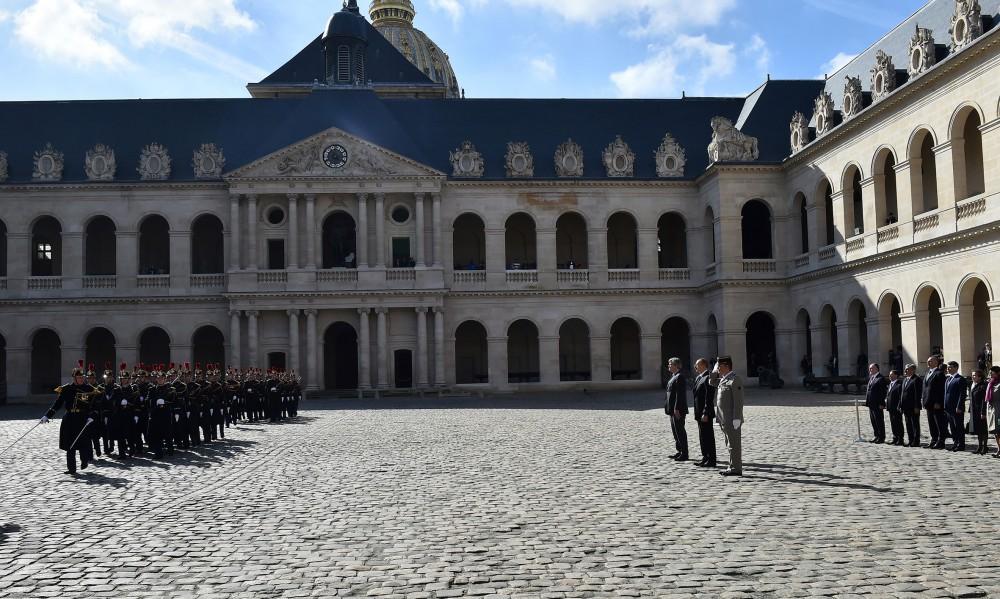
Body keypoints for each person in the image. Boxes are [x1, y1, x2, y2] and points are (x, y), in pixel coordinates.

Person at [39, 361, 97, 474]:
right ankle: (71, 468)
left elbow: (94, 405)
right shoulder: (66, 389)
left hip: (83, 417)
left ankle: (84, 460)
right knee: (70, 443)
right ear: (74, 378)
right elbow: (58, 404)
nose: (81, 379)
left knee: (84, 442)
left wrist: (91, 416)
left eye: (82, 377)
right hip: (70, 418)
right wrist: (47, 415)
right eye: (78, 377)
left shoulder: (89, 389)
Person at [710, 356, 744, 477]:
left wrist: (737, 418)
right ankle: (732, 466)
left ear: (726, 366)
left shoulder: (734, 379)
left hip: (731, 419)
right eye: (717, 366)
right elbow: (711, 382)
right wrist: (714, 371)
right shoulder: (723, 379)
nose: (718, 368)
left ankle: (736, 468)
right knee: (729, 444)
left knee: (734, 444)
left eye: (719, 366)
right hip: (724, 419)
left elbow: (738, 401)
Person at [692, 358, 716, 467]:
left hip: (705, 413)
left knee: (708, 437)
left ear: (703, 365)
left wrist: (705, 412)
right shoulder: (698, 378)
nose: (695, 367)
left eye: (697, 365)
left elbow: (708, 398)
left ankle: (711, 459)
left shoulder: (708, 377)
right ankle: (705, 457)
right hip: (699, 412)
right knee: (702, 436)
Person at [664, 358, 689, 462]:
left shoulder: (680, 377)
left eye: (670, 364)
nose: (669, 366)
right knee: (675, 432)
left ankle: (684, 453)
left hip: (677, 410)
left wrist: (676, 408)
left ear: (676, 365)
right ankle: (679, 451)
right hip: (672, 410)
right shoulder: (673, 376)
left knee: (680, 431)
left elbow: (680, 395)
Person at [922, 356, 947, 449]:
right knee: (931, 423)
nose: (928, 363)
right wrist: (923, 400)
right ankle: (934, 440)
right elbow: (925, 389)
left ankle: (941, 441)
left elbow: (941, 390)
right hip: (928, 402)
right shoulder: (927, 373)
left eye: (931, 361)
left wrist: (938, 402)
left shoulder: (939, 373)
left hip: (936, 403)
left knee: (939, 423)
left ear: (936, 362)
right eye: (928, 361)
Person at [943, 361, 968, 451]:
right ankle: (955, 442)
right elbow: (946, 393)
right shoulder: (948, 379)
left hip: (956, 408)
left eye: (950, 367)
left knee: (959, 427)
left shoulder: (960, 379)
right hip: (948, 408)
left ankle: (961, 444)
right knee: (952, 427)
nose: (948, 369)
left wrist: (959, 406)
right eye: (948, 367)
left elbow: (962, 395)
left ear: (956, 368)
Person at [864, 363, 888, 443]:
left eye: (872, 368)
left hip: (878, 404)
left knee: (879, 421)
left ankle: (881, 437)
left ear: (877, 369)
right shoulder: (872, 378)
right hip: (871, 403)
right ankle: (876, 435)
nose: (870, 370)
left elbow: (883, 392)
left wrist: (882, 404)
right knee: (873, 421)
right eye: (869, 368)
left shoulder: (880, 378)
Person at [901, 364, 922, 447]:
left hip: (913, 406)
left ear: (913, 370)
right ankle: (910, 440)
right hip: (906, 406)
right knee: (908, 424)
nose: (905, 371)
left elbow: (917, 394)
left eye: (907, 369)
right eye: (905, 369)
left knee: (915, 424)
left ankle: (916, 441)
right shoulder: (905, 380)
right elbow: (902, 394)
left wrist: (917, 406)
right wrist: (901, 405)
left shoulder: (916, 379)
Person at [969, 370, 989, 455]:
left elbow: (984, 401)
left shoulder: (983, 386)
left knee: (983, 430)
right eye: (972, 375)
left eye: (974, 375)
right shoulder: (973, 385)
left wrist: (983, 412)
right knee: (978, 429)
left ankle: (985, 446)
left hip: (981, 410)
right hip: (975, 410)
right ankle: (980, 446)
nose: (973, 377)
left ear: (980, 377)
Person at [886, 370, 905, 445]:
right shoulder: (890, 384)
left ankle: (900, 439)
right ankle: (895, 437)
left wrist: (899, 406)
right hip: (890, 407)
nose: (890, 376)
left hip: (896, 407)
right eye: (889, 375)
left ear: (896, 375)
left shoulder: (899, 384)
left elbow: (901, 397)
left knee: (898, 423)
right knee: (893, 423)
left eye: (892, 375)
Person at [987, 366, 1000, 458]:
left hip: (999, 410)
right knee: (995, 431)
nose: (990, 374)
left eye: (992, 372)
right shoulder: (991, 383)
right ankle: (999, 449)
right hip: (992, 410)